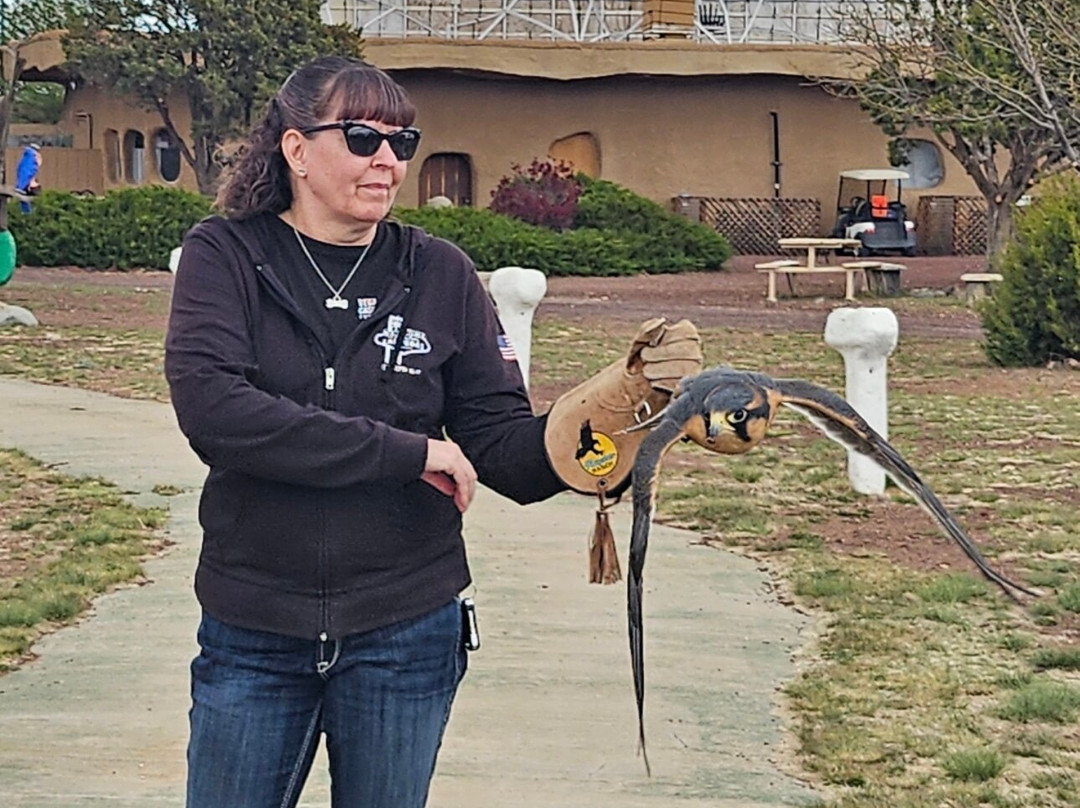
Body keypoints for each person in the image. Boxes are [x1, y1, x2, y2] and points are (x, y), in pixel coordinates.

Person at [165, 55, 700, 808]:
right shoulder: (227, 256)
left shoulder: (440, 272)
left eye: (402, 142)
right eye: (362, 138)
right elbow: (218, 414)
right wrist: (407, 452)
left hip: (404, 632)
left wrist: (627, 417)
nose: (388, 159)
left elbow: (507, 453)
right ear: (296, 149)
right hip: (254, 628)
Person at [14, 143, 42, 214]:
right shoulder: (31, 157)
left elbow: (23, 171)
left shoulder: (29, 157)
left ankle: (26, 212)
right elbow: (26, 171)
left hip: (24, 184)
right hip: (24, 184)